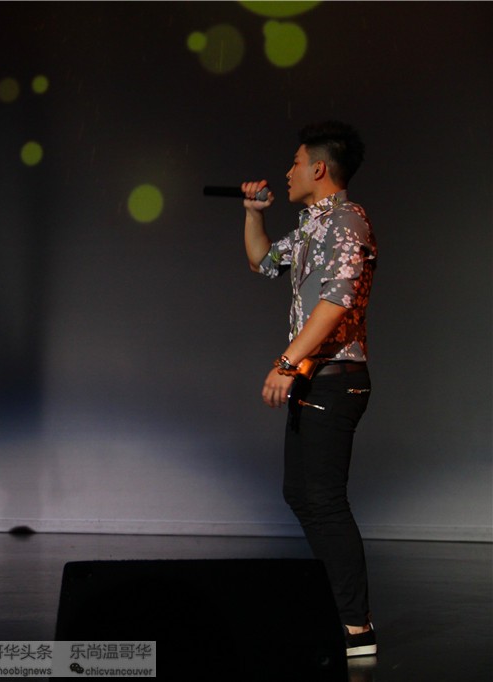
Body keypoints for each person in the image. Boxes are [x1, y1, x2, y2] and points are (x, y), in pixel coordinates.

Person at [241, 121, 378, 658]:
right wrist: (254, 214)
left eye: (295, 162)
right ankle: (342, 613)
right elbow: (262, 262)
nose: (287, 171)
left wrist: (286, 362)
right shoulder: (310, 226)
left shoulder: (347, 221)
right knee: (300, 494)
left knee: (323, 500)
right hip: (312, 376)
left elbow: (336, 304)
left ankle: (356, 628)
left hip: (334, 377)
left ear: (318, 168)